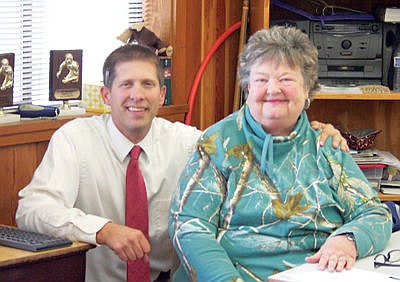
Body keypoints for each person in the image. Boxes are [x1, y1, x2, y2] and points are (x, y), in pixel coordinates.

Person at [16, 44, 347, 282]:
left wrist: (309, 130)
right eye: (125, 85)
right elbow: (32, 209)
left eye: (147, 85)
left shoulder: (190, 141)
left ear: (162, 95)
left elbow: (252, 139)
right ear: (106, 96)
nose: (137, 95)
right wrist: (102, 229)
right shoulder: (74, 139)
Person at [168, 26, 392, 282]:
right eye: (261, 80)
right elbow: (188, 226)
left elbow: (374, 214)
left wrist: (348, 240)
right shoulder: (218, 142)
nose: (273, 89)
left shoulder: (326, 145)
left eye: (286, 79)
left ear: (307, 90)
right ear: (248, 88)